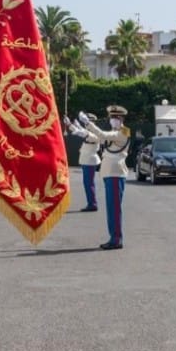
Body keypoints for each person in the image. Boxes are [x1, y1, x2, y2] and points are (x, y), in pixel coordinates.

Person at [79, 105, 129, 249]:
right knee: (111, 207)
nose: (112, 120)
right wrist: (82, 131)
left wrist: (88, 123)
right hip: (110, 173)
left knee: (114, 208)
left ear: (121, 119)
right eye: (111, 118)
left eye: (115, 118)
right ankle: (113, 237)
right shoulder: (115, 131)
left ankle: (116, 239)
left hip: (115, 173)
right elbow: (99, 138)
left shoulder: (124, 132)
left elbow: (103, 135)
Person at [73, 113, 102, 212]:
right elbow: (82, 131)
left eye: (88, 122)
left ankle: (92, 204)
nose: (86, 124)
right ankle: (91, 203)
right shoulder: (90, 132)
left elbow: (81, 133)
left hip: (90, 161)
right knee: (88, 183)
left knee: (89, 184)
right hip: (87, 161)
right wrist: (73, 125)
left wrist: (71, 126)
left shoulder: (94, 135)